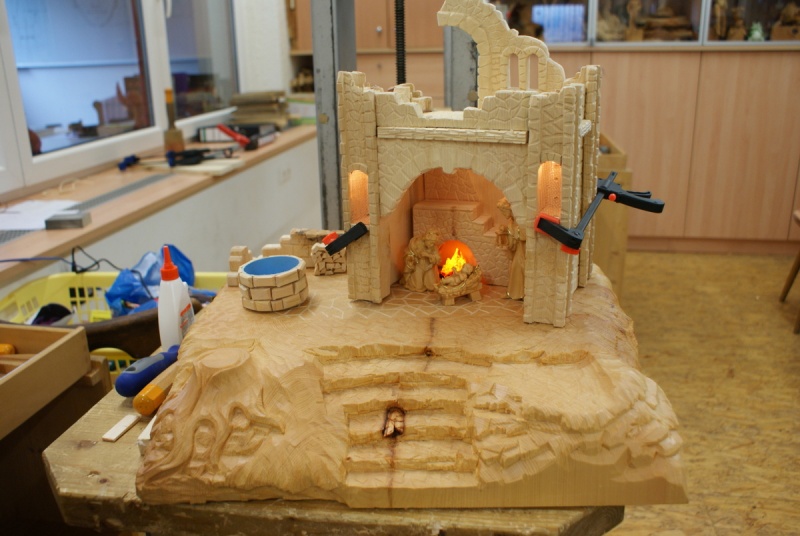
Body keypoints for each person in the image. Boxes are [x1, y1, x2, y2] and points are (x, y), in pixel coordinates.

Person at [496, 198, 526, 300]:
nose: (503, 214)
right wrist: (505, 230)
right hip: (518, 248)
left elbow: (523, 235)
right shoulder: (512, 220)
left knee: (519, 267)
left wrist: (510, 232)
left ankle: (521, 293)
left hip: (523, 249)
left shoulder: (520, 219)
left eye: (504, 211)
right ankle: (512, 292)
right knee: (514, 268)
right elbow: (512, 231)